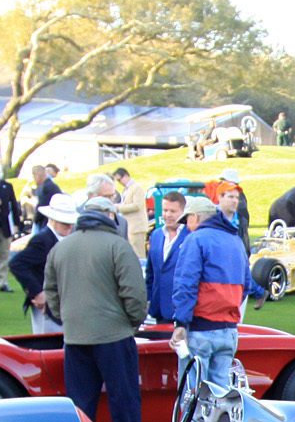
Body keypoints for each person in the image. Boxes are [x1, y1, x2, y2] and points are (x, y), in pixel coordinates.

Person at [45, 197, 149, 422]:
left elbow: (51, 292)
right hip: (114, 336)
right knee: (124, 400)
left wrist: (67, 318)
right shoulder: (118, 246)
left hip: (75, 337)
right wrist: (131, 322)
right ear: (110, 215)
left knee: (81, 403)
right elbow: (134, 293)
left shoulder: (61, 248)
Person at [168, 186, 265, 395]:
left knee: (192, 395)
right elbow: (247, 285)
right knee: (221, 397)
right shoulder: (235, 240)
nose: (187, 226)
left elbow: (186, 284)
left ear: (195, 217)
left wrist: (181, 323)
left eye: (187, 221)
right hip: (228, 330)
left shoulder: (195, 240)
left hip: (201, 328)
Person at [11, 194, 81, 332]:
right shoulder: (42, 240)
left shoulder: (68, 238)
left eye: (71, 222)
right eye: (64, 222)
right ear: (52, 219)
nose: (69, 226)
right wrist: (38, 292)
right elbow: (17, 264)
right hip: (47, 309)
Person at [144, 190, 191, 330]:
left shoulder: (191, 236)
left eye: (173, 211)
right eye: (165, 210)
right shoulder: (156, 234)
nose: (168, 215)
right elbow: (151, 273)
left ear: (183, 212)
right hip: (159, 310)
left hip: (183, 311)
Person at [112, 167, 150, 262]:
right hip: (130, 227)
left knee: (139, 254)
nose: (119, 182)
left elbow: (137, 205)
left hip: (137, 227)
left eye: (119, 179)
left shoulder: (137, 187)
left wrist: (119, 207)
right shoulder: (127, 189)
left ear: (125, 176)